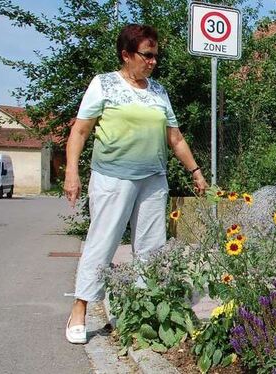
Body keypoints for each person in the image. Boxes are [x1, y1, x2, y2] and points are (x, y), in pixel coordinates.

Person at [63, 24, 208, 344]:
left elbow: (175, 137)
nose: (153, 61)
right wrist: (71, 171)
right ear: (126, 55)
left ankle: (144, 312)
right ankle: (80, 309)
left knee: (151, 250)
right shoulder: (103, 85)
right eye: (147, 55)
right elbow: (80, 132)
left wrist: (195, 171)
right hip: (112, 178)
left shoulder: (158, 92)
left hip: (153, 180)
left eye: (156, 55)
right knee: (101, 244)